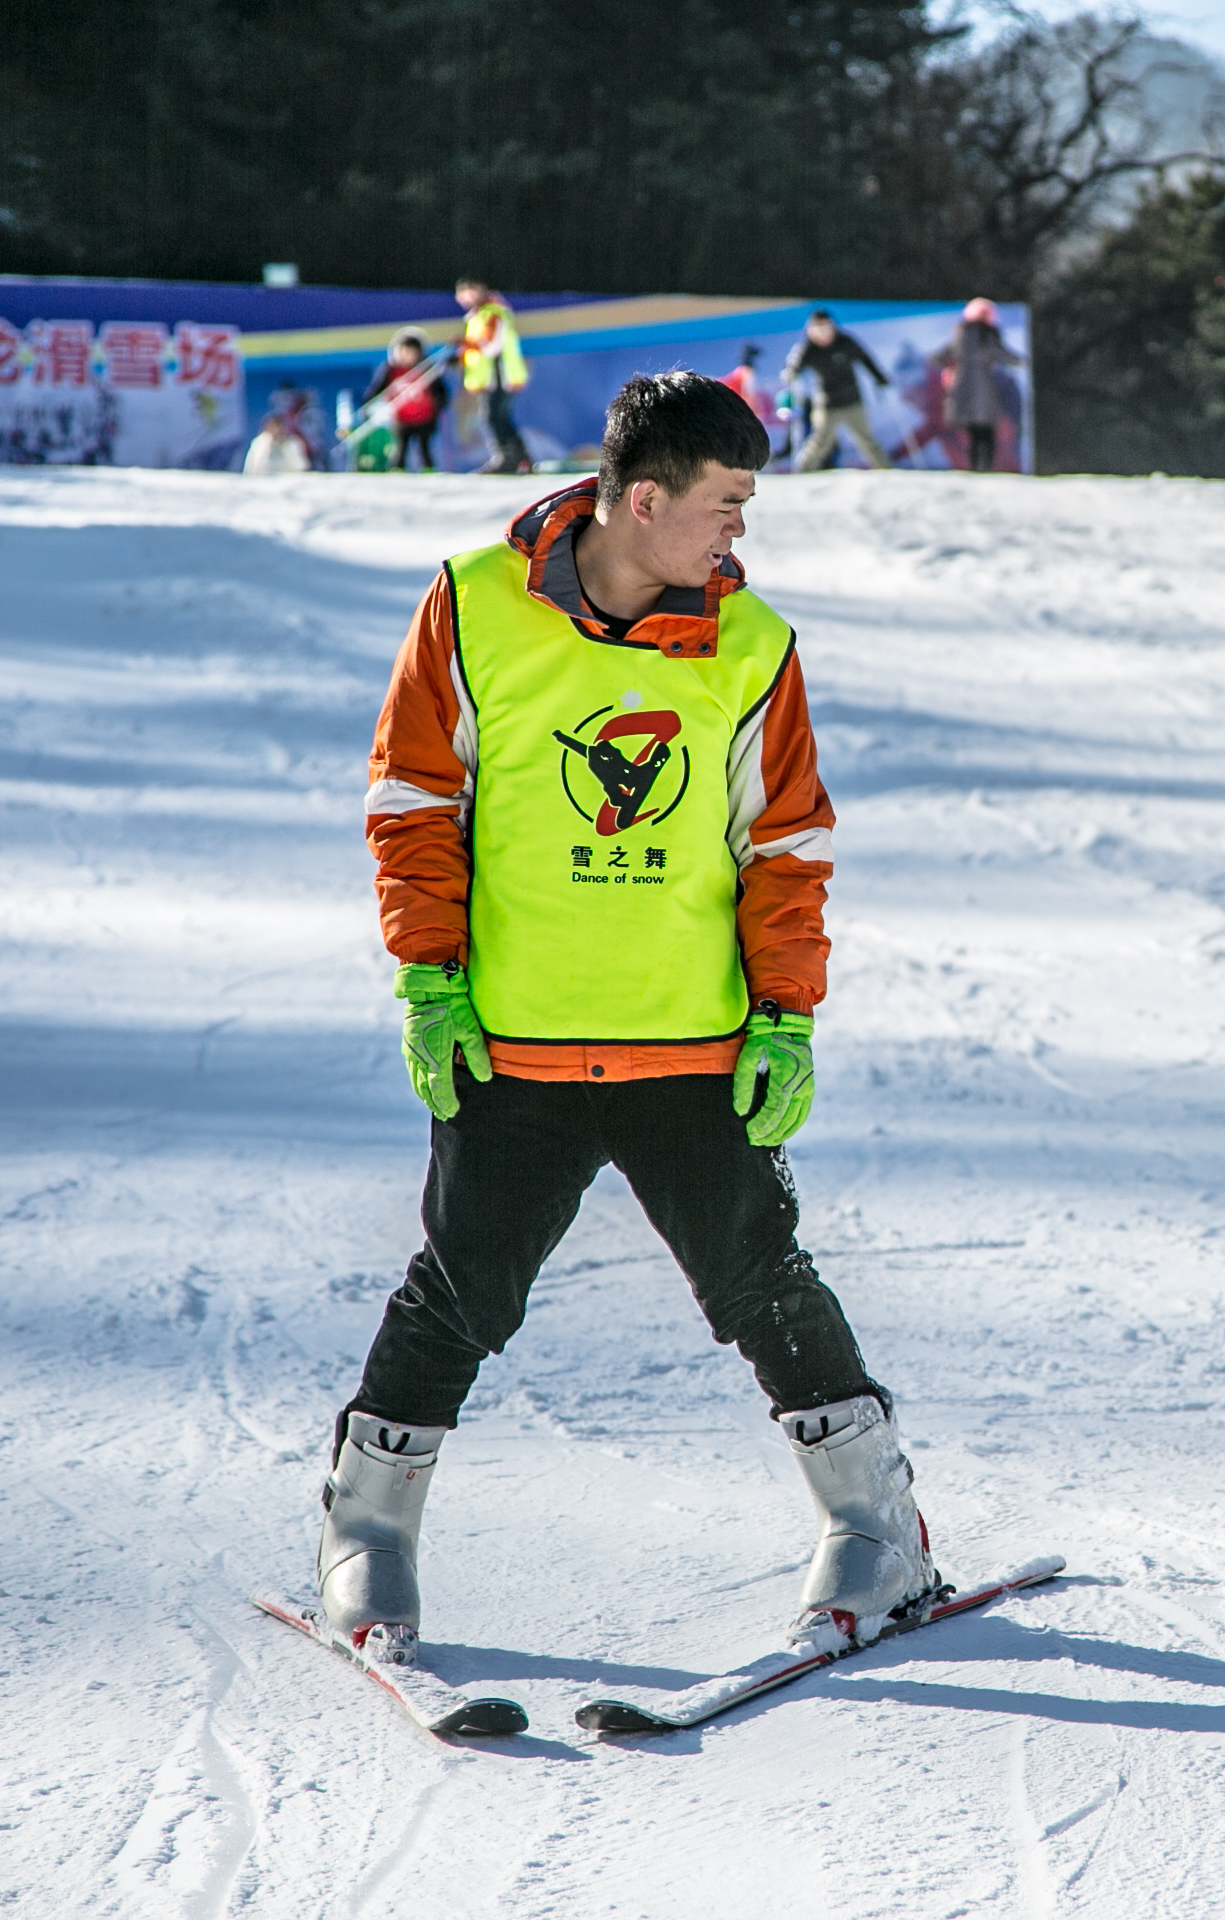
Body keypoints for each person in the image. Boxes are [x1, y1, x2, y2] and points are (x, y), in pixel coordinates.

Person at [319, 371, 935, 1668]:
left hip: (692, 1048)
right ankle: (364, 1536)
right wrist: (431, 978)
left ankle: (880, 1532)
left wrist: (784, 1017)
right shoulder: (473, 611)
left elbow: (787, 846)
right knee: (461, 1293)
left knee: (759, 1280)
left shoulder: (751, 645)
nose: (739, 533)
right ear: (642, 501)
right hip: (518, 1043)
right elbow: (413, 807)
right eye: (725, 504)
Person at [784, 309, 892, 472]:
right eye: (818, 330)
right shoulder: (808, 349)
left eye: (826, 328)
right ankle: (800, 473)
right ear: (811, 331)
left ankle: (888, 471)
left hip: (852, 401)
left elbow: (865, 359)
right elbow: (793, 365)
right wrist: (791, 372)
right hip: (826, 404)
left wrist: (879, 377)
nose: (823, 334)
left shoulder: (845, 342)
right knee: (819, 442)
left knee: (867, 441)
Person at [455, 280, 532, 475]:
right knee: (499, 417)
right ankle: (521, 458)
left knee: (494, 416)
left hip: (499, 374)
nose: (463, 297)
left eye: (468, 291)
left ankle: (507, 457)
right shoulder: (477, 315)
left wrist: (467, 344)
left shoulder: (493, 313)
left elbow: (491, 346)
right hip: (487, 377)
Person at [945, 297, 1022, 474]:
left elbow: (941, 356)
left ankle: (974, 468)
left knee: (973, 432)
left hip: (963, 391)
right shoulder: (989, 334)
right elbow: (1000, 353)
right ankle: (985, 468)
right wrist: (1019, 361)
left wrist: (950, 369)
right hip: (985, 390)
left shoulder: (960, 333)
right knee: (986, 432)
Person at [363, 330, 449, 471]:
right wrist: (368, 405)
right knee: (401, 446)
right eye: (404, 352)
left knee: (424, 446)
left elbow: (440, 391)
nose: (408, 357)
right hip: (402, 418)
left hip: (425, 417)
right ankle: (398, 469)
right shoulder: (390, 369)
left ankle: (428, 469)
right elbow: (377, 389)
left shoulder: (427, 369)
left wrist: (439, 406)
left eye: (412, 353)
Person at [719, 343, 781, 461]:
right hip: (738, 410)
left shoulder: (740, 372)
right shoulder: (745, 373)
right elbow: (747, 394)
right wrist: (754, 411)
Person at [242, 389, 317, 475]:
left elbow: (301, 467)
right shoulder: (259, 443)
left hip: (286, 483)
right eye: (272, 427)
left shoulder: (292, 443)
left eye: (278, 427)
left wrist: (285, 447)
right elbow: (251, 467)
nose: (276, 430)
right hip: (262, 483)